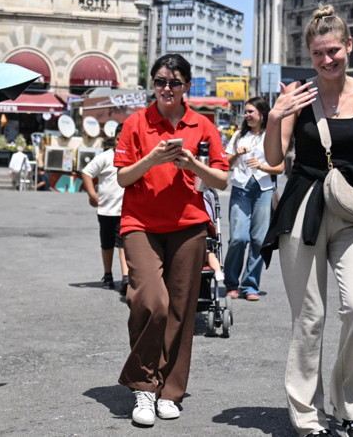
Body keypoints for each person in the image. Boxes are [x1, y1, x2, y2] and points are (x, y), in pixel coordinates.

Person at [262, 4, 353, 437]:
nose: (327, 60)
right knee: (309, 317)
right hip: (304, 209)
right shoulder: (299, 96)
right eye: (318, 53)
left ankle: (352, 407)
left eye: (333, 50)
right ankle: (307, 417)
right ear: (310, 54)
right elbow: (274, 160)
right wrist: (276, 115)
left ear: (349, 45)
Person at [114, 53, 229, 426]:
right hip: (141, 224)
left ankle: (169, 391)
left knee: (182, 310)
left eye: (175, 83)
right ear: (153, 84)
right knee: (151, 301)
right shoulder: (136, 123)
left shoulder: (203, 125)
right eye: (161, 81)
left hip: (189, 225)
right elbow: (122, 178)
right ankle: (144, 386)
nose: (167, 89)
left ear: (187, 87)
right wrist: (152, 159)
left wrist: (191, 164)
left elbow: (221, 180)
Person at [224, 97, 284, 301]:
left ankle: (250, 285)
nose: (247, 115)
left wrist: (262, 167)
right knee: (239, 238)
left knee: (259, 239)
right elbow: (225, 162)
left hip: (264, 189)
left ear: (262, 114)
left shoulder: (271, 136)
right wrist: (235, 155)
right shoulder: (239, 136)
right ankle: (231, 282)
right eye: (246, 112)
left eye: (252, 112)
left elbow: (281, 168)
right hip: (241, 188)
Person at [80, 126, 129, 295]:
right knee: (107, 244)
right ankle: (108, 275)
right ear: (114, 139)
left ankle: (126, 278)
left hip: (126, 211)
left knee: (124, 244)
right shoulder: (106, 157)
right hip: (106, 211)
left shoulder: (133, 157)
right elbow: (86, 173)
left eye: (124, 138)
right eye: (118, 138)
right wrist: (92, 195)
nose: (120, 141)